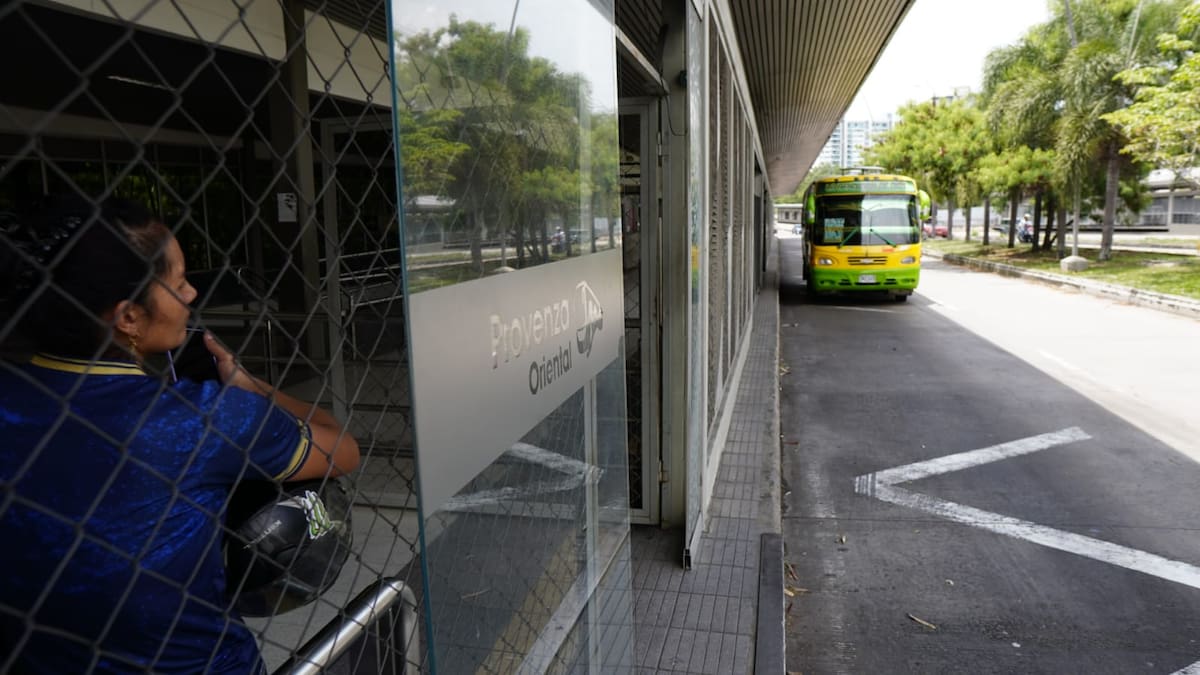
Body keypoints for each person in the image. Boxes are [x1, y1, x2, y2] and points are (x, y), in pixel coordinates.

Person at [0, 196, 360, 674]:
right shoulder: (200, 418)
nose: (192, 294)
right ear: (128, 316)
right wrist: (251, 388)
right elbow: (342, 449)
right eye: (179, 281)